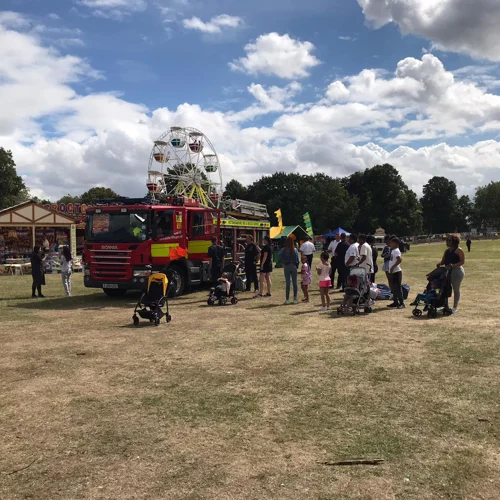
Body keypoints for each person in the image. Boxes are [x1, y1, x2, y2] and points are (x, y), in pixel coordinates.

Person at [438, 235, 465, 314]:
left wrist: (453, 265)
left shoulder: (459, 250)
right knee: (445, 288)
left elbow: (462, 261)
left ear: (454, 241)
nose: (447, 242)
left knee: (456, 289)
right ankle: (445, 305)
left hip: (457, 271)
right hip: (448, 271)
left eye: (449, 240)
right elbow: (443, 261)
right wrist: (439, 264)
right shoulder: (447, 251)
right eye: (447, 240)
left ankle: (455, 307)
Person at [278, 237, 299, 304]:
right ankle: (295, 299)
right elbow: (297, 259)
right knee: (295, 283)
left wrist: (283, 263)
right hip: (293, 266)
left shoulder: (283, 249)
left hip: (287, 266)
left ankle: (287, 299)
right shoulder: (295, 249)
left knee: (288, 283)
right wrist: (296, 266)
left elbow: (279, 256)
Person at [387, 237, 405, 309]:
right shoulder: (393, 250)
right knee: (393, 287)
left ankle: (401, 303)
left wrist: (392, 267)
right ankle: (395, 302)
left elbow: (399, 260)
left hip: (397, 271)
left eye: (392, 243)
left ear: (396, 244)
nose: (390, 244)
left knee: (398, 287)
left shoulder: (396, 251)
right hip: (393, 272)